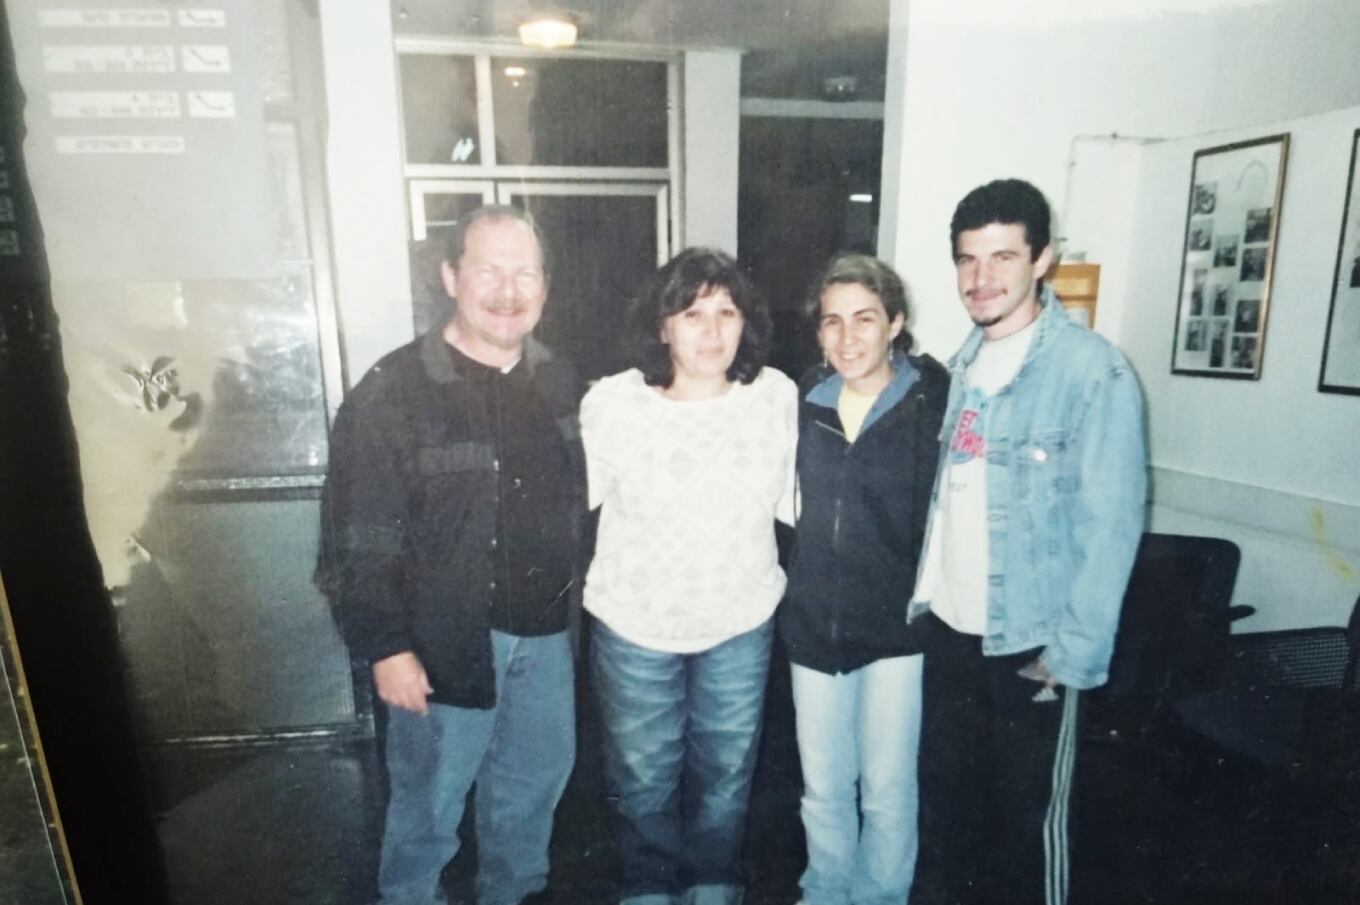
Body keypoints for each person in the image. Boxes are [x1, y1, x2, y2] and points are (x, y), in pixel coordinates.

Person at [315, 205, 584, 905]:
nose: (507, 288)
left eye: (524, 270)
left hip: (547, 641)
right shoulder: (392, 392)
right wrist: (385, 646)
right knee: (425, 821)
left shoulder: (561, 383)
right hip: (441, 645)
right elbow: (355, 535)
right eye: (488, 268)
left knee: (529, 806)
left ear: (545, 286)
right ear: (449, 276)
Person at [910, 179, 1147, 905]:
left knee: (1027, 841)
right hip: (952, 637)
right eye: (967, 260)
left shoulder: (1092, 372)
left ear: (1043, 258)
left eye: (1002, 257)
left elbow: (1110, 528)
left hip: (1032, 646)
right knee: (947, 827)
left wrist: (1069, 658)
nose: (980, 279)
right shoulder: (958, 369)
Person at [580, 247, 798, 905]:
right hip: (635, 624)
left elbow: (797, 499)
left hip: (739, 620)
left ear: (746, 323)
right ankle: (646, 890)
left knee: (727, 776)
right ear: (661, 325)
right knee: (644, 779)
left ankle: (713, 888)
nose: (711, 331)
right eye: (692, 312)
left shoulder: (775, 397)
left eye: (726, 312)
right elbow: (572, 508)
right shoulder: (611, 403)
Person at [780, 254, 948, 905]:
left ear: (895, 323)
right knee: (823, 786)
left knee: (886, 787)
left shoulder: (931, 405)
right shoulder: (802, 405)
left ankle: (879, 895)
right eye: (832, 322)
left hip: (897, 629)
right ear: (818, 332)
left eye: (865, 319)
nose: (848, 338)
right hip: (813, 624)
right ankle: (826, 890)